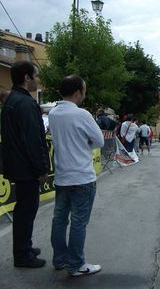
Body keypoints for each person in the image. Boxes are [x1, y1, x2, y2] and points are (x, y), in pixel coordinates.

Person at [49, 74, 104, 277]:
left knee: (59, 219)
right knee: (79, 222)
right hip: (82, 176)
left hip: (62, 176)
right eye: (84, 90)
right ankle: (77, 264)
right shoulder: (82, 114)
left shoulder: (53, 114)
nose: (84, 94)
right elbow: (98, 141)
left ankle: (60, 259)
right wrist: (84, 144)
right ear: (77, 92)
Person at [1, 61, 49, 268]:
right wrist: (41, 168)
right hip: (26, 167)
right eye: (36, 76)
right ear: (27, 78)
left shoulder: (12, 99)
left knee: (24, 209)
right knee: (26, 210)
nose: (38, 80)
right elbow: (32, 139)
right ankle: (22, 254)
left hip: (17, 164)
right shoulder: (26, 103)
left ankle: (25, 247)